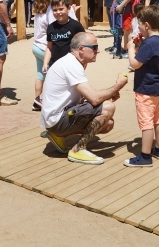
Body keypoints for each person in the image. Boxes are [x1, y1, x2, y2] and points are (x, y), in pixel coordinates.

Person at [40, 32, 128, 165]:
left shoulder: (72, 62)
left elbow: (83, 99)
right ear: (81, 49)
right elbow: (94, 99)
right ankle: (77, 149)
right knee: (108, 108)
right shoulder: (72, 65)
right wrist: (118, 86)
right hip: (57, 120)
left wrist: (107, 97)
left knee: (108, 123)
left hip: (55, 119)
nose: (97, 51)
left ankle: (59, 135)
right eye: (94, 47)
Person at [124, 6, 159, 167]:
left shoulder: (149, 44)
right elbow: (153, 56)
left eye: (140, 24)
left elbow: (135, 64)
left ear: (147, 25)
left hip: (145, 89)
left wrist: (131, 49)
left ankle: (145, 156)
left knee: (146, 123)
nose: (139, 28)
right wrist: (141, 44)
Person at [30, 0, 78, 111]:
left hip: (37, 45)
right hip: (46, 48)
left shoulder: (45, 5)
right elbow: (59, 30)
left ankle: (37, 101)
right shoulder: (55, 10)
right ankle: (51, 102)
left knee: (41, 75)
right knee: (57, 79)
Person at [43, 0, 85, 72]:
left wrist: (83, 63)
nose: (58, 12)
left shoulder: (76, 26)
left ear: (69, 8)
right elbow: (49, 47)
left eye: (61, 9)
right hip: (54, 64)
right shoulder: (51, 27)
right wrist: (45, 63)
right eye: (55, 10)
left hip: (72, 65)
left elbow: (84, 45)